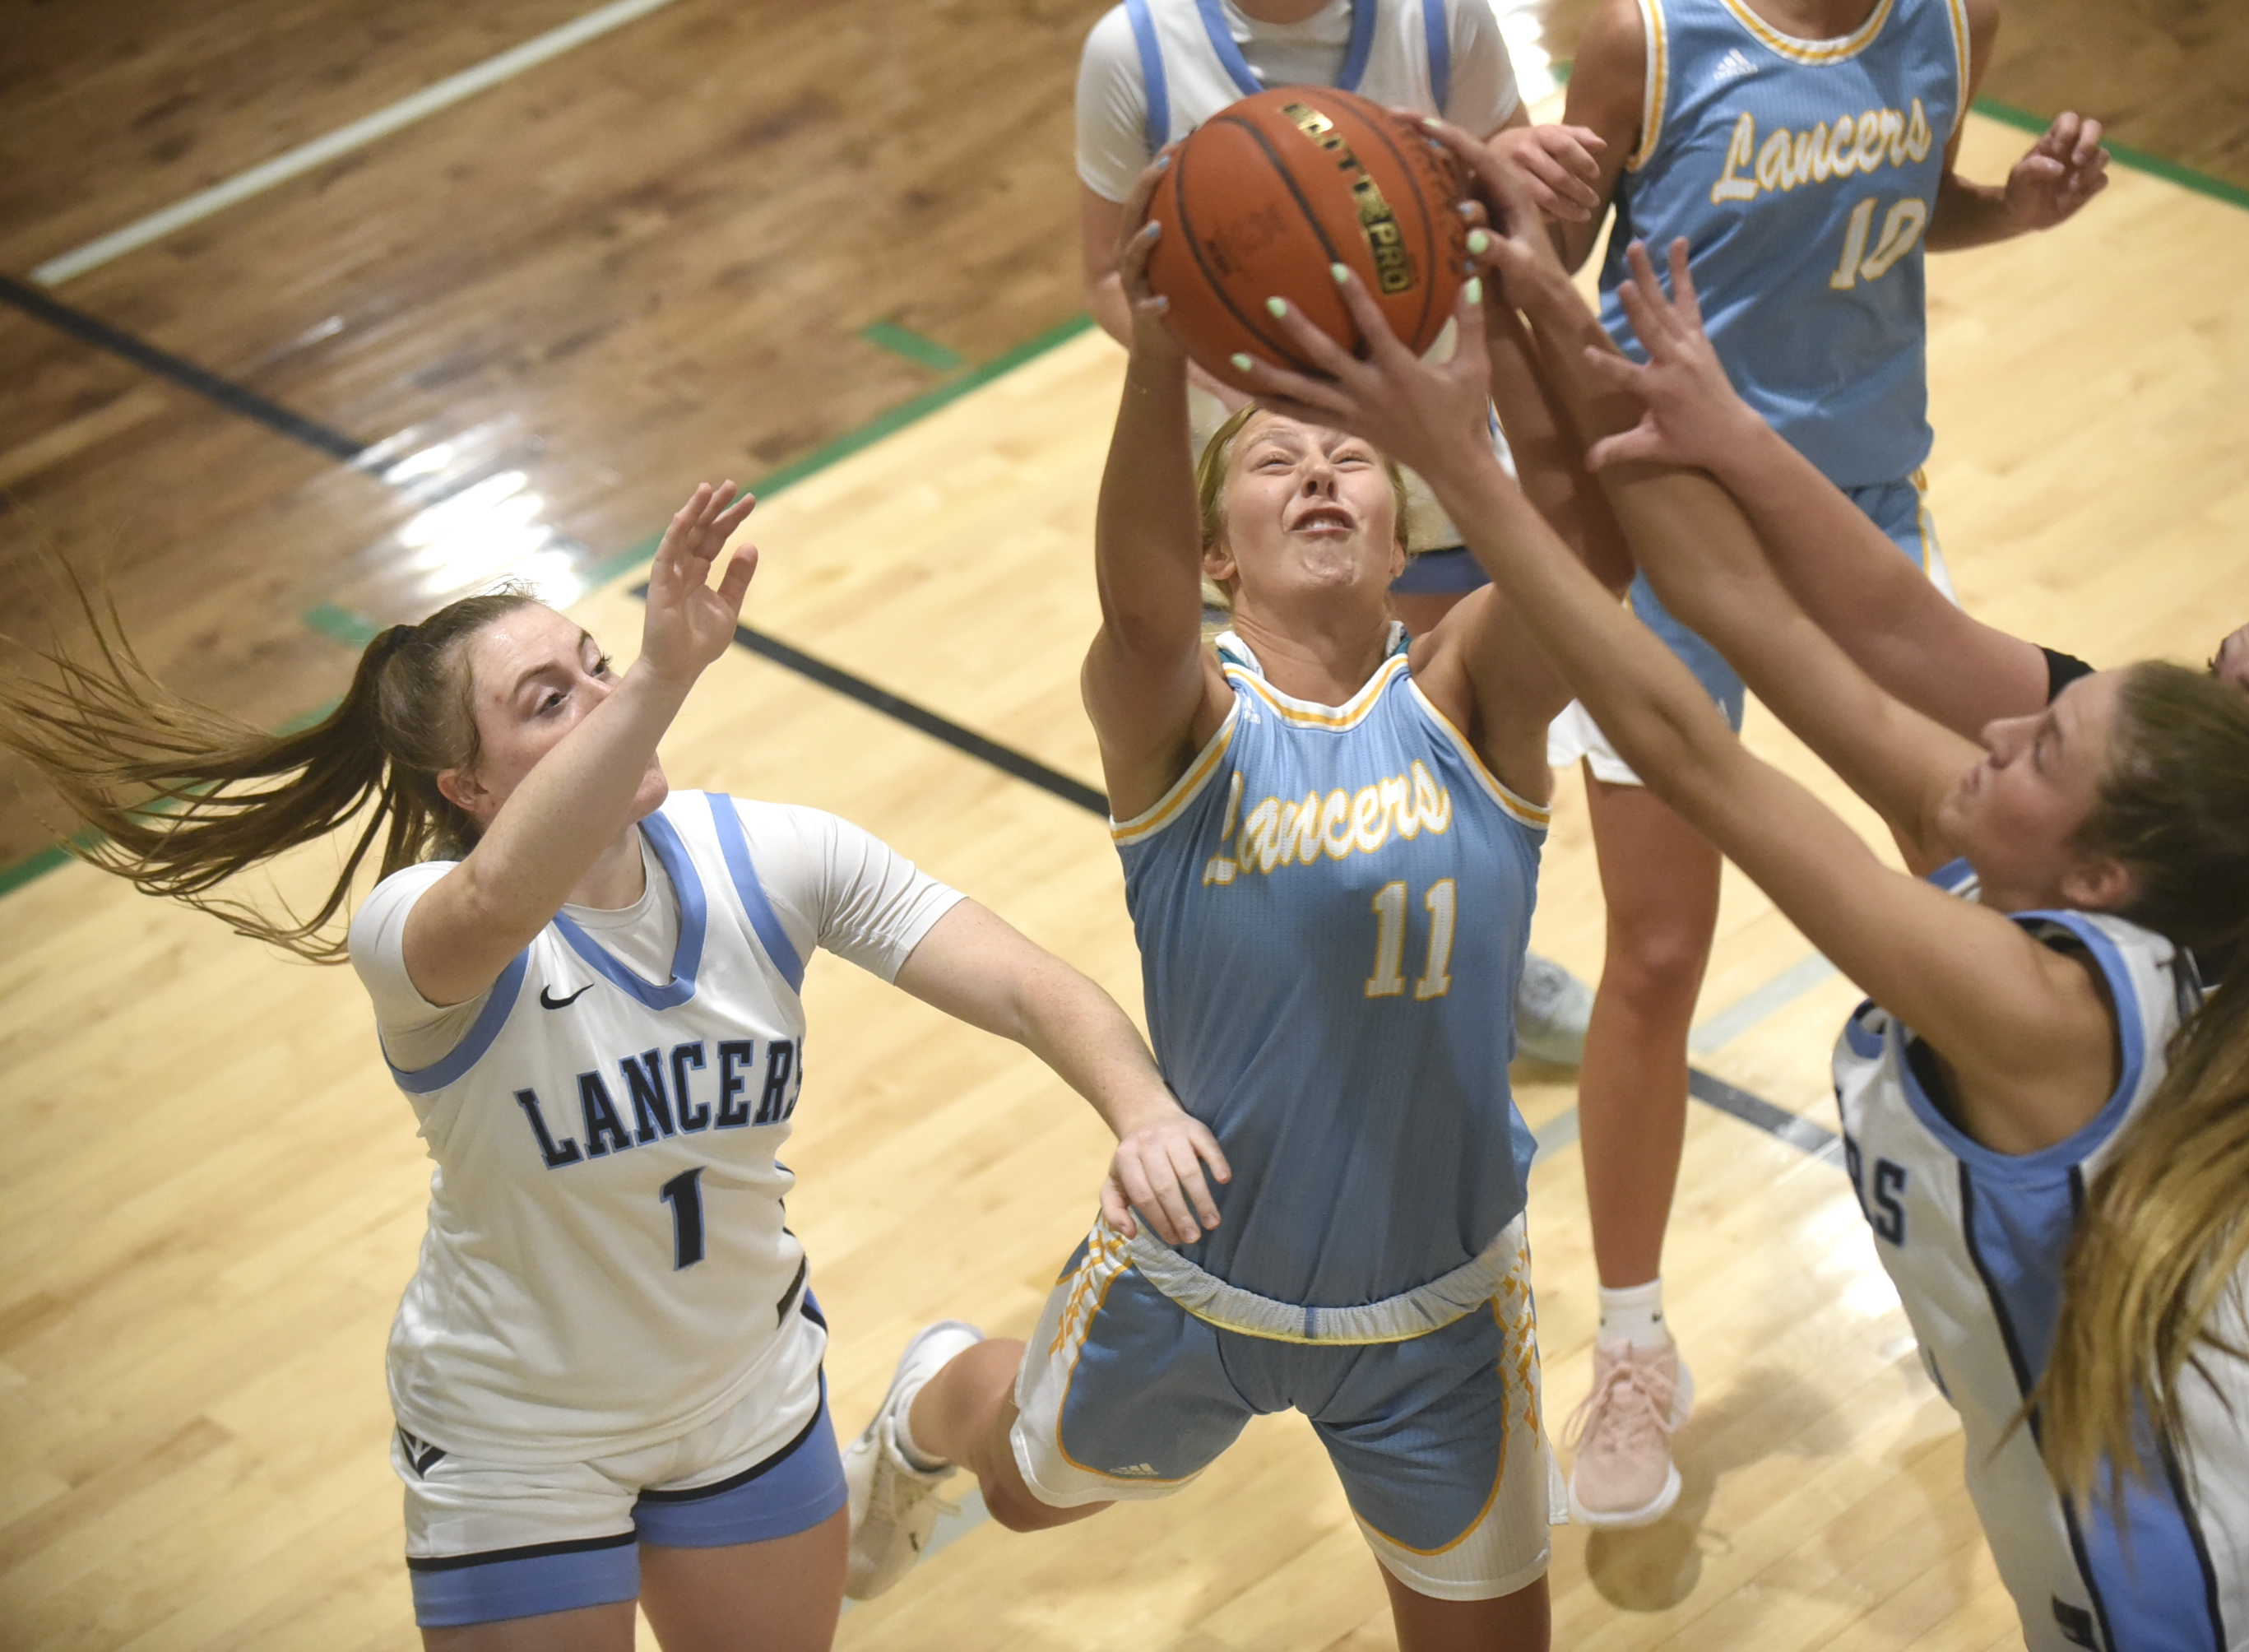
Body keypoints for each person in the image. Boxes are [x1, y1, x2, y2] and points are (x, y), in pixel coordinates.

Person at [1234, 160, 2249, 1650]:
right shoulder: (2049, 878)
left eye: (2045, 746)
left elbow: (1687, 748)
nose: (1995, 734)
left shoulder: (2031, 1006)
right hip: (2122, 1516)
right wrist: (1553, 311)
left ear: (2101, 873)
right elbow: (1740, 608)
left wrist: (1458, 467)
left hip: (2204, 1591)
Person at [0, 486, 1210, 1650]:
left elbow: (1025, 984)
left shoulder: (769, 855)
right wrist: (659, 674)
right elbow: (493, 896)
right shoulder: (421, 928)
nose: (600, 698)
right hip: (517, 1435)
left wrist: (1142, 1108)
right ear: (467, 789)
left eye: (595, 664)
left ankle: (912, 1416)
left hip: (740, 1391)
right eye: (549, 699)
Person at [1547, 228, 2249, 1552]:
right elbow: (1891, 628)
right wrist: (1726, 431)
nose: (2187, 700)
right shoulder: (2128, 772)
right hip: (2079, 1431)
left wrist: (2065, 1272)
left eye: (2245, 701)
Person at [833, 175, 1609, 1650]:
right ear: (1214, 556)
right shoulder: (1183, 716)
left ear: (1403, 534)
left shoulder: (1474, 701)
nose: (1319, 475)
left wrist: (1520, 307)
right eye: (1270, 462)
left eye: (1353, 463)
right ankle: (936, 1397)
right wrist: (1147, 357)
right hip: (1191, 1280)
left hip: (1437, 1317)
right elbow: (1131, 614)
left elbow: (1590, 545)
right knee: (1021, 1492)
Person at [1537, 0, 2112, 1523]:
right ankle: (1634, 1347)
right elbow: (1542, 274)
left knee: (1973, 918)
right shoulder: (1645, 43)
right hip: (1666, 523)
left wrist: (2016, 211)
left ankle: (2028, 1278)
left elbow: (1910, 210)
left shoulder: (1953, 18)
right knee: (1656, 954)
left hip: (1861, 532)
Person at [1074, 0, 1610, 1063]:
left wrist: (1520, 202)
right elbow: (1102, 272)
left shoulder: (1440, 19)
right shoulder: (1133, 51)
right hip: (1239, 432)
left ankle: (1475, 962)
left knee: (1462, 746)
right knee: (1301, 752)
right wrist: (1202, 369)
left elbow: (1499, 186)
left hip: (1431, 436)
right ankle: (1325, 967)